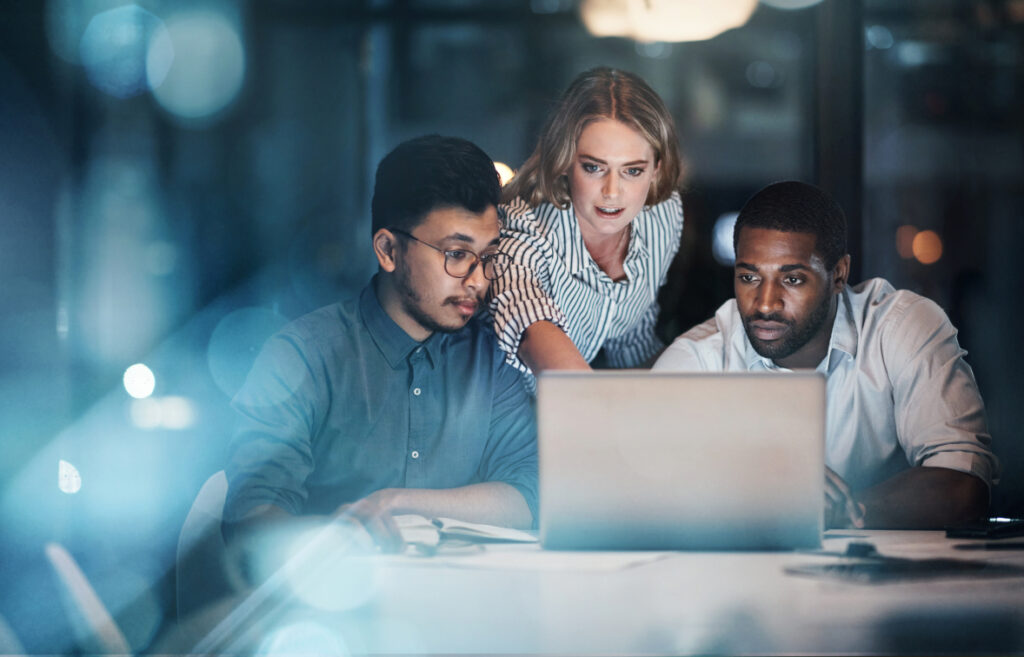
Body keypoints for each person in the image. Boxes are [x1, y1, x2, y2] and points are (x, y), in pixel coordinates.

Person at [222, 135, 537, 559]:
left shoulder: (493, 356)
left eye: (488, 255)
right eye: (457, 254)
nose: (478, 280)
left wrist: (397, 503)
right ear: (388, 250)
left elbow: (528, 493)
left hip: (466, 607)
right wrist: (339, 537)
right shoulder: (303, 358)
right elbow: (250, 518)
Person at [654, 181, 998, 529]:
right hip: (746, 581)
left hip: (890, 580)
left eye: (792, 280)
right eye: (749, 277)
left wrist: (833, 512)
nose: (765, 303)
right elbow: (645, 497)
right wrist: (752, 491)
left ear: (839, 275)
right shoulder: (695, 362)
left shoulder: (899, 329)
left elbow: (964, 487)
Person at [489, 67, 684, 386]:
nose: (612, 191)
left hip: (584, 413)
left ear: (657, 170)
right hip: (501, 421)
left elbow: (631, 343)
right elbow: (525, 319)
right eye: (594, 167)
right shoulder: (523, 229)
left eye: (632, 171)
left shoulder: (662, 216)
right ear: (565, 161)